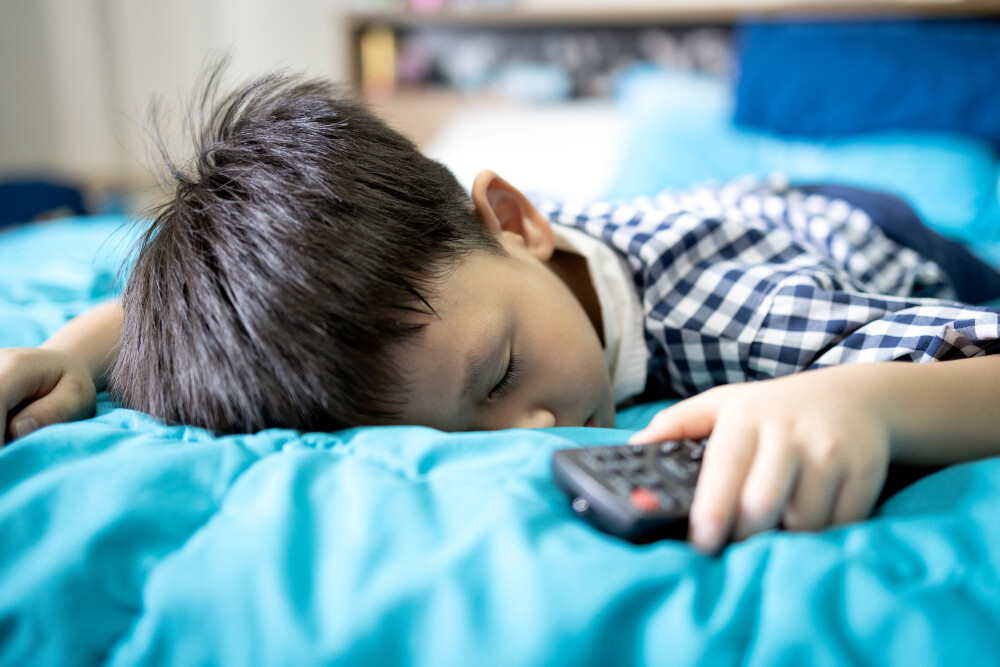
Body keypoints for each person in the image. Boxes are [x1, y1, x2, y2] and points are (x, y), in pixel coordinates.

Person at [1, 66, 999, 554]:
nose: (526, 432)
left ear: (516, 219)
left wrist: (870, 403)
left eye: (503, 374)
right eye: (457, 428)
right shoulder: (484, 282)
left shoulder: (740, 322)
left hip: (854, 224)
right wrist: (79, 349)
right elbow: (228, 314)